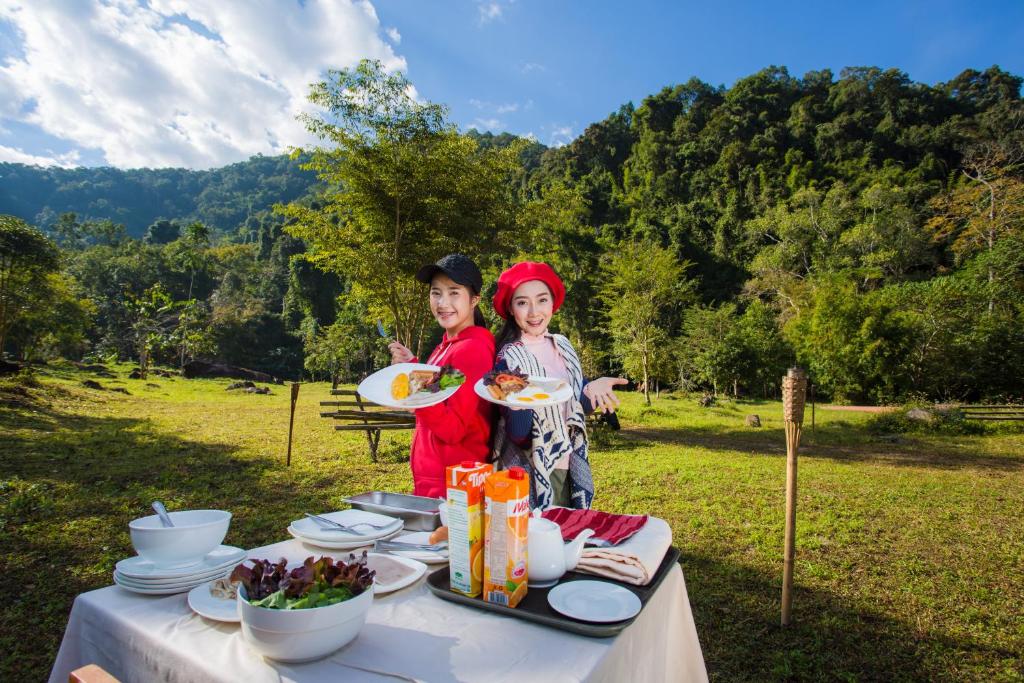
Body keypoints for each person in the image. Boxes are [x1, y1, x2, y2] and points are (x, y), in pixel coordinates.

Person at [489, 261, 627, 510]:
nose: (534, 312)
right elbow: (519, 436)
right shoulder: (508, 359)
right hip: (527, 469)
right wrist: (518, 404)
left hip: (565, 462)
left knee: (564, 528)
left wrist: (592, 389)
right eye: (522, 302)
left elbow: (573, 406)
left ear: (553, 302)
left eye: (542, 300)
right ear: (510, 308)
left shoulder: (562, 346)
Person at [388, 254, 495, 498]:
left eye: (454, 292)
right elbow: (442, 393)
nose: (443, 302)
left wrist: (415, 391)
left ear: (474, 300)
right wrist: (413, 366)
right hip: (438, 479)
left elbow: (453, 428)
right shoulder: (449, 346)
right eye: (436, 293)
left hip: (455, 484)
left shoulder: (471, 349)